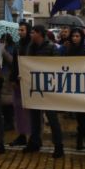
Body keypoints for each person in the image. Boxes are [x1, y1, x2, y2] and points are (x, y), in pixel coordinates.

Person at [22, 26, 63, 157]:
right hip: (34, 87)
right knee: (34, 117)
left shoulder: (51, 47)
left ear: (39, 33)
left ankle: (58, 146)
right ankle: (34, 142)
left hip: (48, 88)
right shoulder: (30, 47)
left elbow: (58, 65)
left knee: (52, 118)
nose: (31, 34)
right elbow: (27, 63)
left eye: (33, 32)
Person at [62, 28, 85, 150]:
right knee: (79, 116)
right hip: (73, 85)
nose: (75, 38)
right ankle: (82, 141)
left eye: (77, 36)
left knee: (83, 116)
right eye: (73, 36)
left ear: (81, 37)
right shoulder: (68, 49)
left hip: (84, 85)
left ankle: (84, 140)